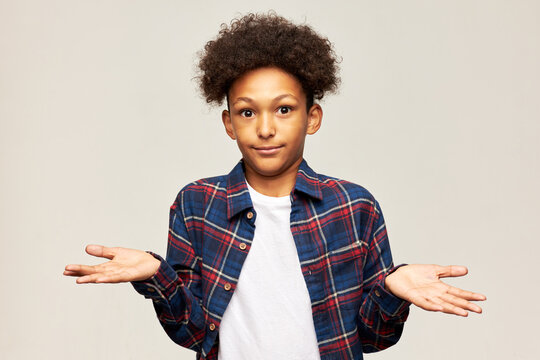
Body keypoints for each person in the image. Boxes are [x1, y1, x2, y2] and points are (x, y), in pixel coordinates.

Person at [63, 12, 486, 360]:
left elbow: (373, 338)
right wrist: (158, 275)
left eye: (284, 109)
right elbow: (192, 334)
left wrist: (395, 289)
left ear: (312, 117)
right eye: (247, 113)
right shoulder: (196, 204)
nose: (265, 128)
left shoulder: (355, 206)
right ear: (229, 123)